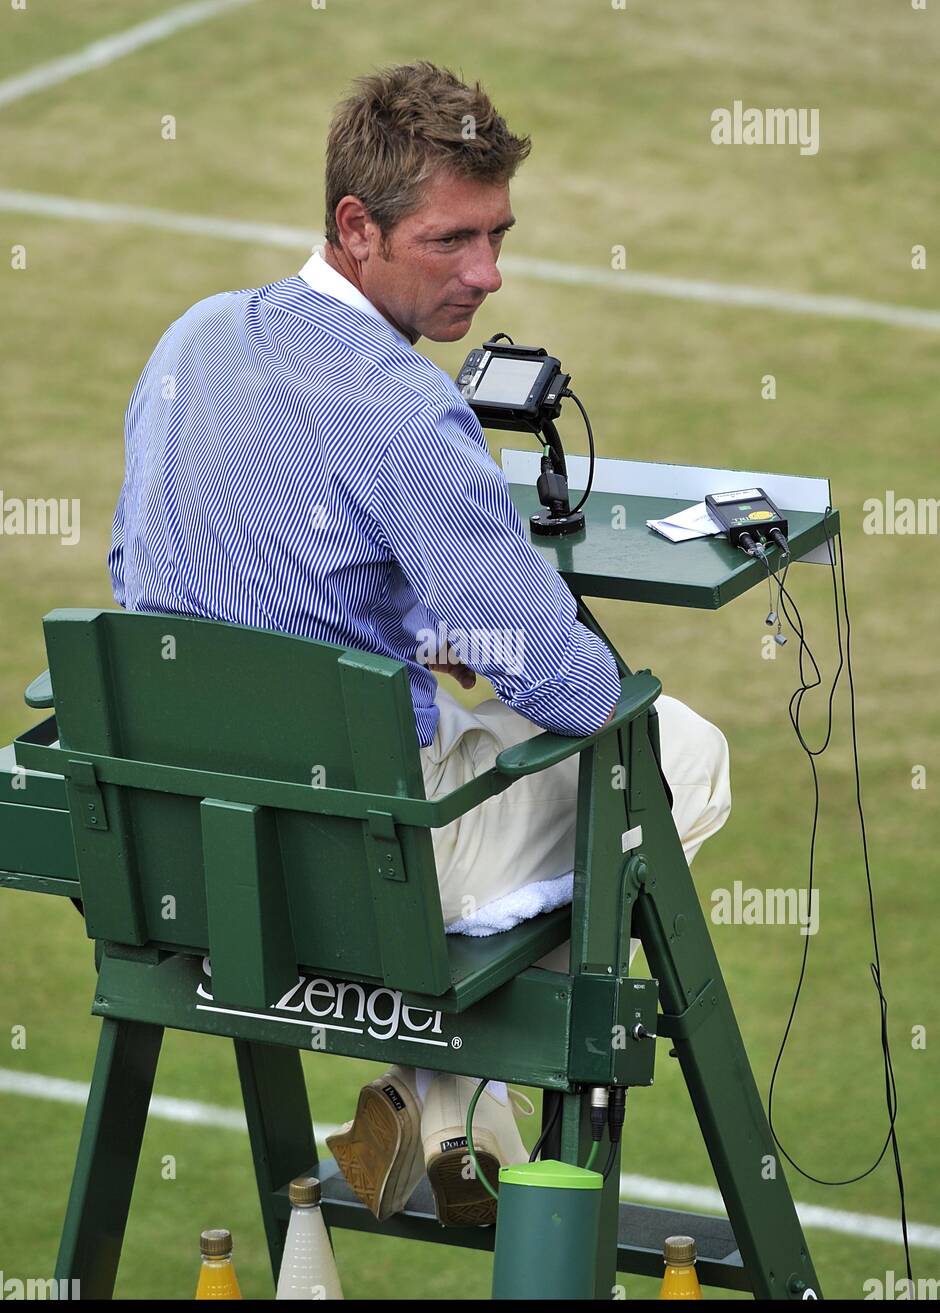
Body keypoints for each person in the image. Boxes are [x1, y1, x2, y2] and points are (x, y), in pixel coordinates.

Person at [108, 60, 731, 1230]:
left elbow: (145, 581)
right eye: (452, 241)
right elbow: (573, 687)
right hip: (364, 876)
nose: (486, 276)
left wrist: (413, 629)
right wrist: (497, 638)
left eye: (497, 237)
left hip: (181, 855)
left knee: (461, 713)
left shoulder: (187, 340)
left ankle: (434, 1107)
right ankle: (452, 1093)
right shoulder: (407, 409)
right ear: (356, 225)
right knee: (672, 747)